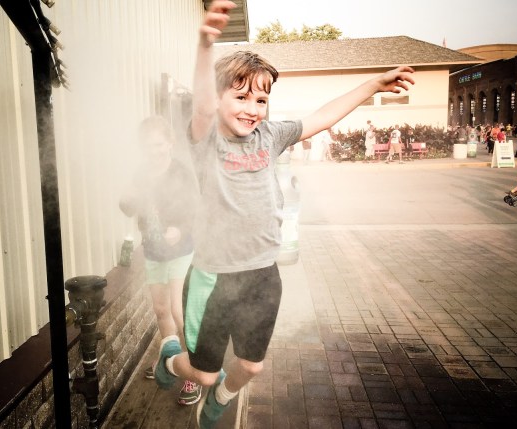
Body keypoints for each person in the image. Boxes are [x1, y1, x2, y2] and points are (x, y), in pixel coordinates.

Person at [153, 2, 415, 428]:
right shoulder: (208, 139)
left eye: (260, 99)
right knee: (203, 371)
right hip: (213, 278)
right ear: (218, 98)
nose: (252, 108)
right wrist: (204, 45)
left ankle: (221, 397)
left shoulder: (270, 136)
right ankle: (170, 362)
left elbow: (322, 117)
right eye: (240, 97)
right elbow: (200, 106)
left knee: (251, 367)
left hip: (262, 274)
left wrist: (373, 84)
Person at [118, 116, 202, 405]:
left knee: (178, 310)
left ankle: (194, 372)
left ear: (170, 143)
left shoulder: (181, 172)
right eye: (147, 145)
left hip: (180, 250)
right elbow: (129, 207)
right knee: (160, 309)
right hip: (153, 251)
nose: (153, 151)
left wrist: (181, 229)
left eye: (158, 144)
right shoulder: (141, 172)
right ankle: (170, 360)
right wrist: (126, 197)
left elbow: (195, 209)